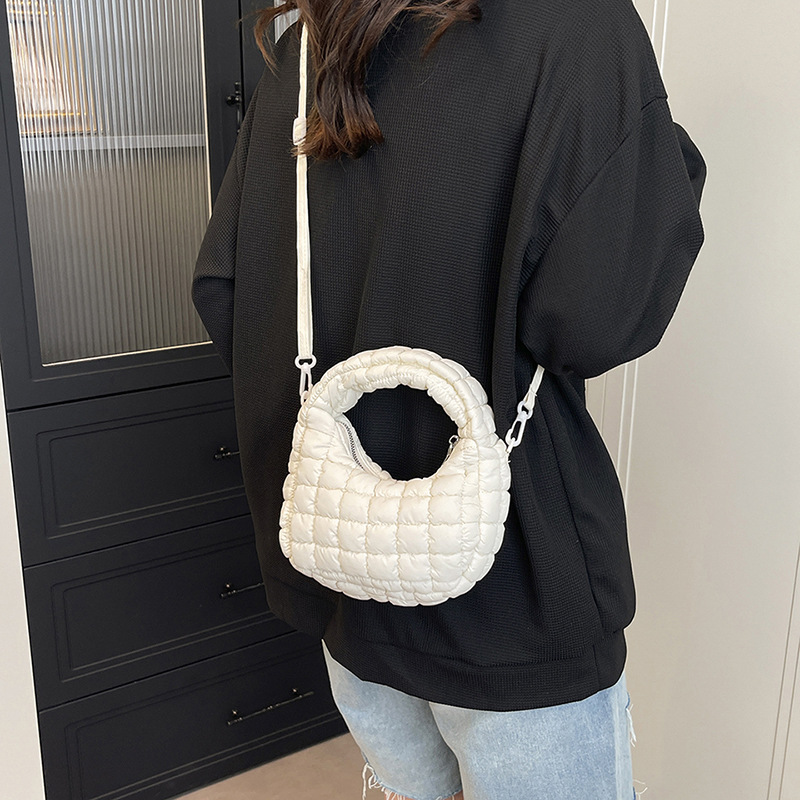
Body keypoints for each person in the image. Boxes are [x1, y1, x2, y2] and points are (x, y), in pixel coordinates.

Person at [191, 1, 707, 798]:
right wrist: (667, 167)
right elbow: (600, 318)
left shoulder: (306, 50)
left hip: (349, 583)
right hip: (513, 599)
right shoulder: (577, 25)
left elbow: (227, 292)